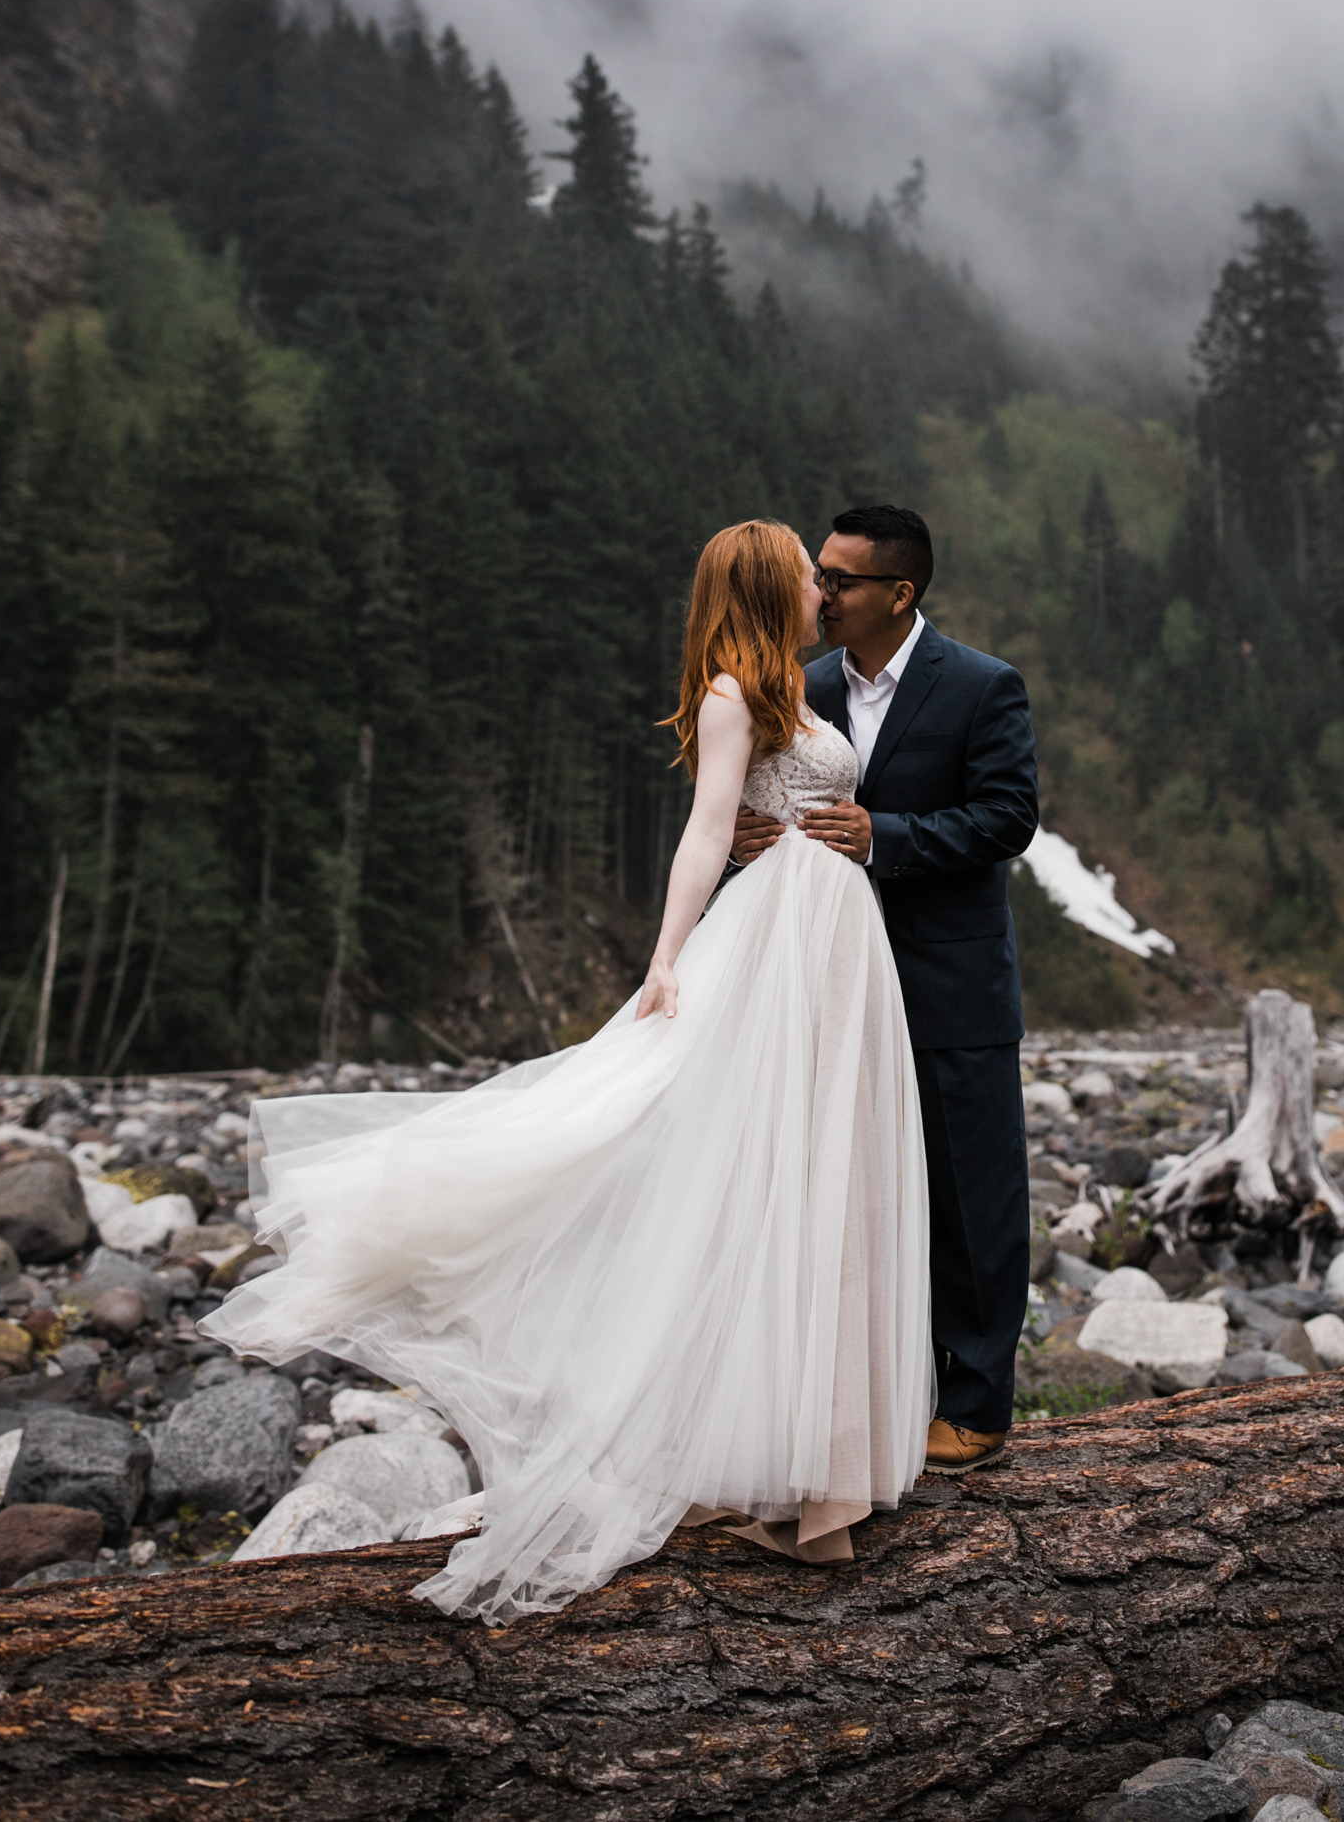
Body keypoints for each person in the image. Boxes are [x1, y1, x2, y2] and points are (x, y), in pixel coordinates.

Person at [205, 520, 931, 1620]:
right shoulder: (738, 691)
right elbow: (702, 831)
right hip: (780, 937)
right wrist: (667, 956)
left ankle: (808, 1450)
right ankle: (761, 1457)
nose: (813, 584)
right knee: (733, 1164)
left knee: (815, 1180)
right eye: (799, 569)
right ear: (761, 584)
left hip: (832, 941)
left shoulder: (794, 682)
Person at [733, 504, 1039, 1472]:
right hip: (825, 981)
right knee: (855, 1192)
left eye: (837, 580)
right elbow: (770, 797)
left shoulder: (983, 686)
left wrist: (887, 838)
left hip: (947, 983)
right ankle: (879, 1397)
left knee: (969, 1195)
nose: (815, 593)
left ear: (897, 594)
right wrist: (754, 838)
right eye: (816, 574)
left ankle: (979, 1405)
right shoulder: (804, 683)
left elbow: (1006, 818)